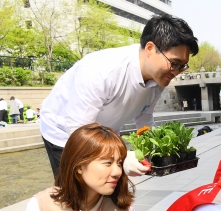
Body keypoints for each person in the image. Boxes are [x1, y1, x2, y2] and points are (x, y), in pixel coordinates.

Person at [39, 14, 198, 177]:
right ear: (150, 48)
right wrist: (121, 157)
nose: (177, 72)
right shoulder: (101, 71)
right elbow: (78, 130)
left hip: (106, 131)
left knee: (111, 192)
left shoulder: (159, 77)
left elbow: (144, 116)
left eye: (182, 66)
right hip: (65, 133)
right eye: (174, 63)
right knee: (78, 196)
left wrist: (156, 150)